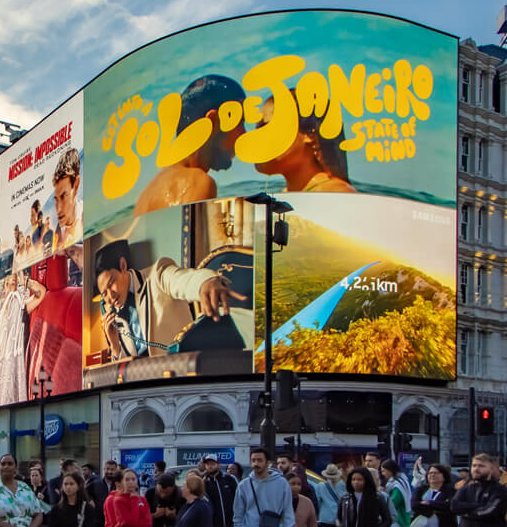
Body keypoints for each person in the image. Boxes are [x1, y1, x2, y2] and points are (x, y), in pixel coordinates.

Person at [94, 239, 245, 360]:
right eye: (104, 293)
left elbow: (183, 280)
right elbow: (125, 369)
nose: (110, 296)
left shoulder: (157, 275)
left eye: (111, 283)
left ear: (123, 266)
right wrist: (115, 346)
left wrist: (206, 283)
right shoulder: (116, 315)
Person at [134, 74, 248, 215]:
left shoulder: (150, 190)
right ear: (213, 122)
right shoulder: (195, 182)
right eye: (240, 121)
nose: (243, 133)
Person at [254, 92, 355, 192]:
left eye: (267, 127)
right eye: (257, 128)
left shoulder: (336, 194)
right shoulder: (292, 193)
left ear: (309, 134)